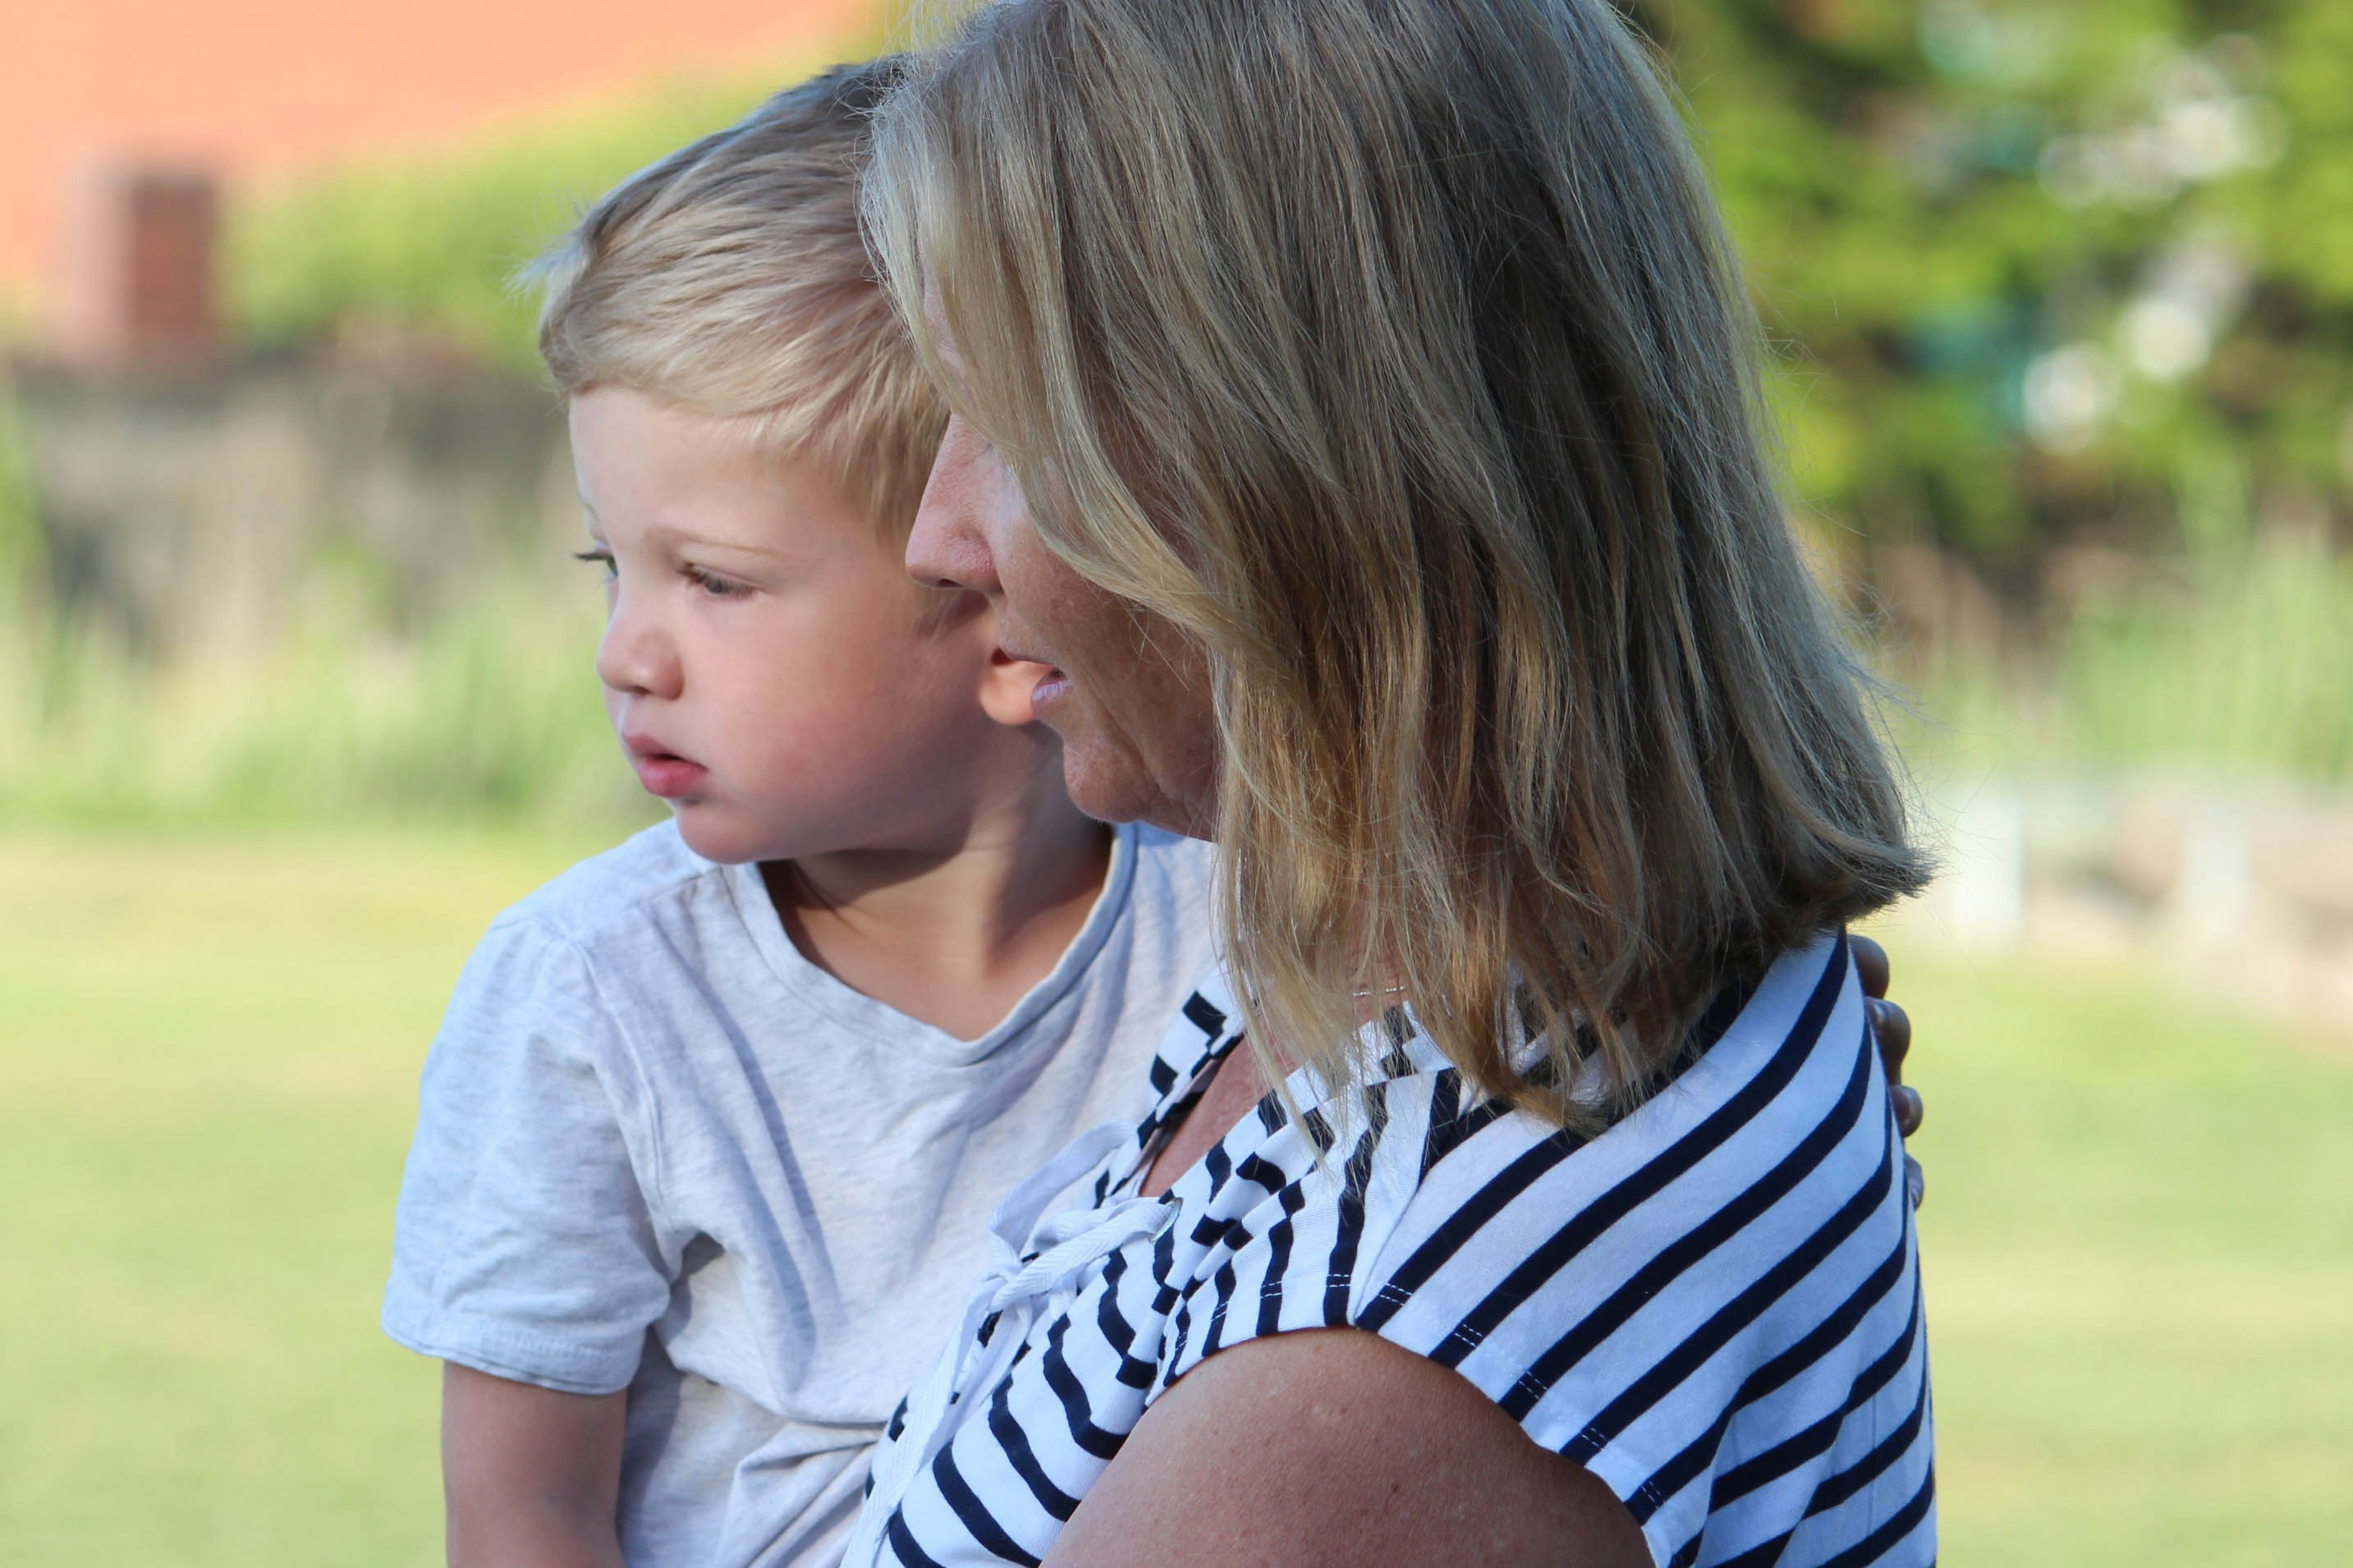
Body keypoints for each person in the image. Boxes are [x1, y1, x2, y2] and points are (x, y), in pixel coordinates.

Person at [844, 0, 1935, 1562]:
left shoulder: (1396, 1360)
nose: (937, 538)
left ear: (1298, 473)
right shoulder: (1399, 981)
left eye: (1012, 424)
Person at [381, 62, 1220, 1567]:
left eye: (713, 580)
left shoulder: (1236, 934)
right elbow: (521, 1513)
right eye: (610, 566)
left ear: (1005, 604)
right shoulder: (593, 995)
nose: (626, 653)